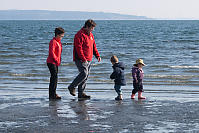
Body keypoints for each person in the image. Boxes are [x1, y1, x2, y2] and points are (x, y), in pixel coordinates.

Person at [68, 19, 101, 99]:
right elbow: (78, 48)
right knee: (83, 74)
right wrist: (83, 58)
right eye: (92, 28)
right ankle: (72, 86)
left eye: (93, 28)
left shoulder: (91, 35)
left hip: (89, 58)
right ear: (87, 26)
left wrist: (97, 55)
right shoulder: (79, 34)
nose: (93, 29)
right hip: (80, 59)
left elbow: (93, 46)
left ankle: (81, 93)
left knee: (86, 77)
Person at [47, 27, 65, 100]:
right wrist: (56, 60)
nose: (61, 38)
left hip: (56, 62)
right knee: (54, 78)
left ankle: (53, 93)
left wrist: (58, 60)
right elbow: (51, 52)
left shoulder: (58, 42)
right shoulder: (53, 41)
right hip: (51, 62)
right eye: (61, 36)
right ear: (57, 35)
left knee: (55, 78)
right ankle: (52, 94)